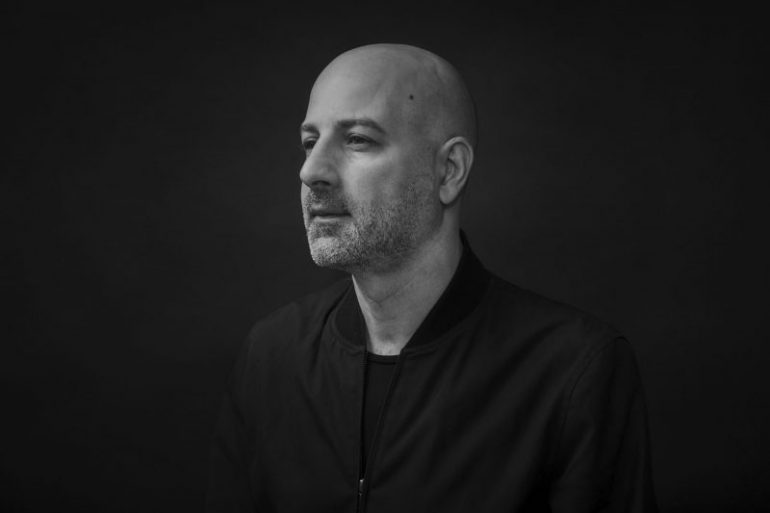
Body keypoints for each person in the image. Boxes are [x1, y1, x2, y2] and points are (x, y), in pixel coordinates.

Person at [206, 43, 658, 513]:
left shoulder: (573, 371)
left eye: (357, 139)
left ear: (449, 171)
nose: (311, 171)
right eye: (309, 142)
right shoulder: (271, 356)